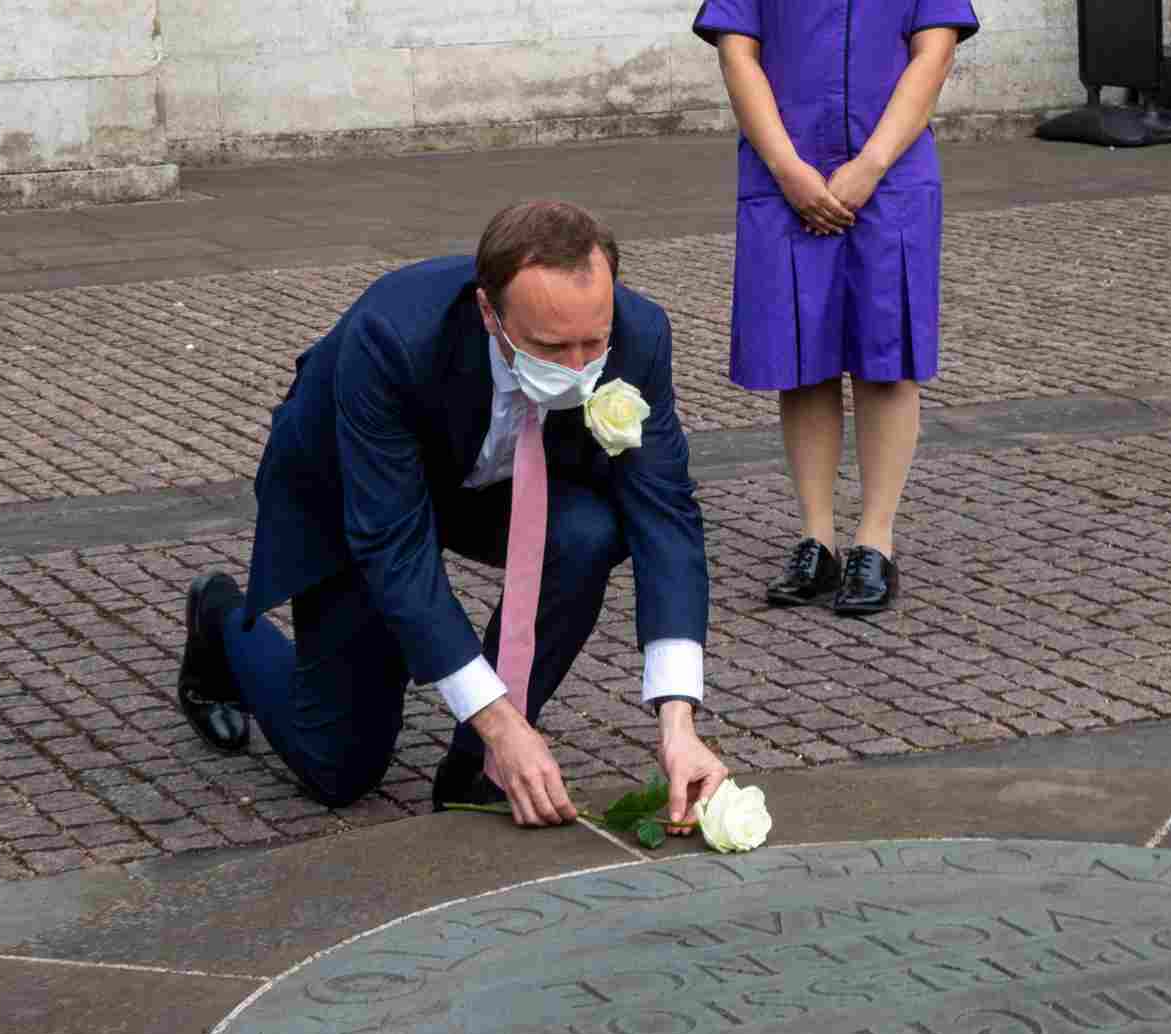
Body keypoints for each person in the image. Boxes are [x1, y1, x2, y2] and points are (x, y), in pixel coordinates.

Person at [175, 201, 728, 830]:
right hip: (355, 491)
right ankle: (219, 621)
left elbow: (666, 512)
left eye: (593, 344)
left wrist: (678, 720)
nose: (579, 372)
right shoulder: (390, 336)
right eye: (551, 347)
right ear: (489, 312)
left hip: (493, 482)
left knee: (587, 534)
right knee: (338, 768)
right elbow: (393, 545)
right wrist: (497, 720)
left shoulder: (641, 332)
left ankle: (476, 767)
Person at [693, 0, 979, 615]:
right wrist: (787, 168)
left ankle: (876, 540)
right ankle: (816, 538)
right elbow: (738, 54)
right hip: (782, 177)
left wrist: (871, 164)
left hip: (893, 175)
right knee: (802, 360)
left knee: (888, 357)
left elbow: (933, 54)